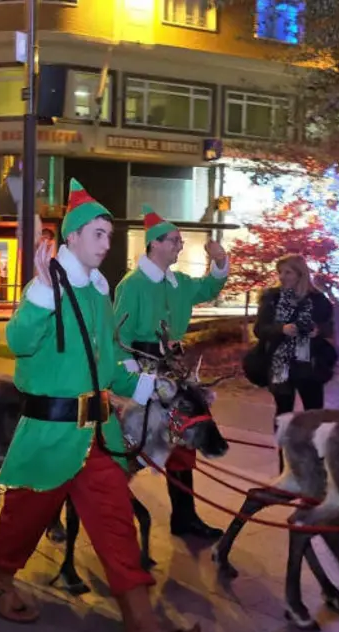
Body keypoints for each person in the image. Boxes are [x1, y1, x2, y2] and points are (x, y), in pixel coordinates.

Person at [0, 179, 200, 632]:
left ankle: (140, 621)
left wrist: (151, 387)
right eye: (98, 234)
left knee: (115, 519)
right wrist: (41, 292)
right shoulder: (49, 286)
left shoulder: (97, 291)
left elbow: (107, 365)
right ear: (72, 239)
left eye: (109, 235)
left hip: (97, 434)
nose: (107, 243)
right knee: (24, 518)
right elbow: (18, 342)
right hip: (49, 434)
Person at [114, 204, 229, 539]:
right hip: (145, 375)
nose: (180, 245)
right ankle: (110, 508)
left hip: (174, 374)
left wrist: (220, 261)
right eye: (175, 240)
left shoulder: (178, 282)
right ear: (155, 244)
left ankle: (184, 517)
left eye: (180, 240)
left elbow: (209, 287)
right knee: (136, 445)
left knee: (183, 443)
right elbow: (118, 337)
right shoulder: (131, 286)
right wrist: (136, 379)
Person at [253, 255, 335, 412]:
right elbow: (259, 329)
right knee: (283, 412)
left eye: (288, 272)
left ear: (300, 274)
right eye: (280, 272)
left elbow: (329, 327)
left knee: (314, 411)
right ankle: (284, 437)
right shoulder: (272, 298)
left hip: (309, 363)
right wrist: (281, 329)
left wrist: (318, 330)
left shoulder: (318, 299)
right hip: (280, 363)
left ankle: (311, 437)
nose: (282, 277)